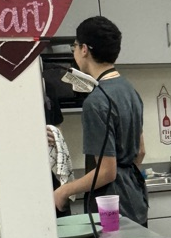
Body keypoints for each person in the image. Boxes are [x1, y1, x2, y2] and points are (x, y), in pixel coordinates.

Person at [53, 15, 148, 226]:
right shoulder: (130, 91)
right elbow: (140, 151)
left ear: (84, 49)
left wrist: (63, 191)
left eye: (74, 46)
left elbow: (106, 172)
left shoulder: (96, 101)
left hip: (111, 207)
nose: (74, 51)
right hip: (135, 198)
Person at [0, 77, 73, 216]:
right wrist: (26, 139)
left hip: (49, 186)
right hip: (13, 188)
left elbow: (57, 138)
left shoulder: (45, 87)